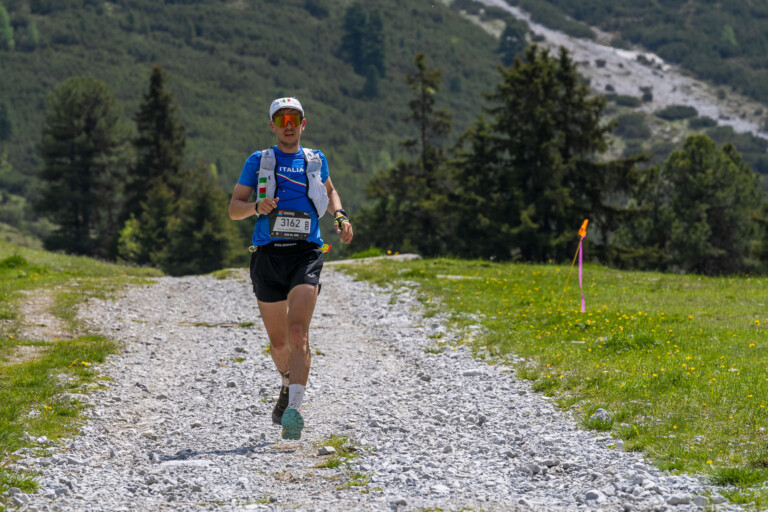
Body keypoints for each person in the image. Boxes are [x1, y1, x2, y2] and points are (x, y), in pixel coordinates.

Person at [228, 97, 353, 440]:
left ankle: (294, 411)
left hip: (306, 253)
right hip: (268, 255)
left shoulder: (315, 160)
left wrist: (340, 216)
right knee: (280, 344)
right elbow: (234, 208)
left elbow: (330, 192)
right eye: (282, 119)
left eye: (294, 119)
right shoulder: (258, 161)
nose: (288, 125)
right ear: (272, 125)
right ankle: (286, 382)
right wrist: (255, 207)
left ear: (302, 124)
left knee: (298, 333)